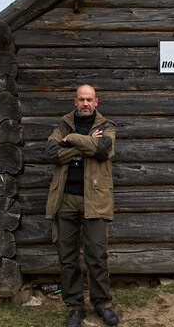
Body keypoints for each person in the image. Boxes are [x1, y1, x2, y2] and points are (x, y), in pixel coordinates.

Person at [46, 84, 119, 327]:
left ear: (96, 101)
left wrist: (73, 141)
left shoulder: (107, 126)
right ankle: (75, 308)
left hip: (96, 199)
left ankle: (102, 304)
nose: (85, 103)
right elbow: (50, 152)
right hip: (65, 199)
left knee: (97, 255)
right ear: (75, 101)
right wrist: (85, 144)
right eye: (81, 99)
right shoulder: (62, 125)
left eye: (89, 99)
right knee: (67, 258)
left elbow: (102, 149)